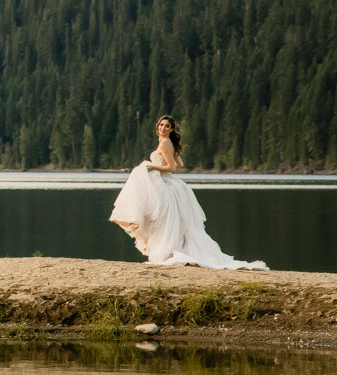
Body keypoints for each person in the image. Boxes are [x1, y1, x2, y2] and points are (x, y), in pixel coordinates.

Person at [109, 116, 266, 270]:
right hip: (169, 185)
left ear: (171, 129)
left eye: (167, 126)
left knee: (164, 220)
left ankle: (168, 252)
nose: (163, 128)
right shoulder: (166, 143)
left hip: (166, 185)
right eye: (161, 125)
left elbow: (173, 168)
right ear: (157, 126)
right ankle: (171, 250)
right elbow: (180, 163)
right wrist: (170, 155)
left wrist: (153, 167)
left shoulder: (164, 144)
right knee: (168, 221)